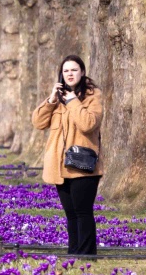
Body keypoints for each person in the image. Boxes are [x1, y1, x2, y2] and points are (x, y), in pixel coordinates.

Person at [31, 55, 104, 256]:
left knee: (83, 212)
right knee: (70, 214)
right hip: (59, 165)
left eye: (74, 70)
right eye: (66, 71)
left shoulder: (92, 96)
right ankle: (74, 252)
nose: (70, 74)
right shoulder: (58, 98)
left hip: (82, 165)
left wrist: (72, 101)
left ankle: (87, 254)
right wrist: (51, 100)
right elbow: (38, 122)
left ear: (82, 72)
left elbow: (88, 123)